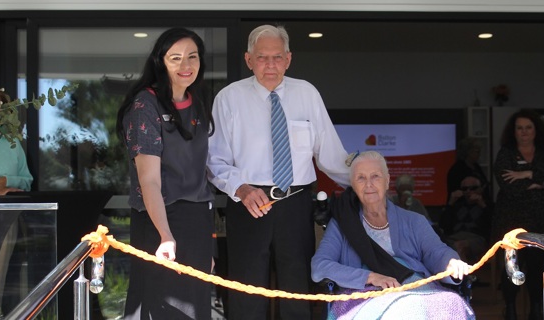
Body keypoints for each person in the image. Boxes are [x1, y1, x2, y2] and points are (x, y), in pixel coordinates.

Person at [206, 24, 350, 319]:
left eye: (277, 57)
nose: (270, 65)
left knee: (297, 289)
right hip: (247, 204)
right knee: (246, 291)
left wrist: (364, 182)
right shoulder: (229, 98)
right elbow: (214, 160)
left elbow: (331, 154)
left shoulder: (306, 93)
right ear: (248, 60)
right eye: (262, 57)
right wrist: (242, 189)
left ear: (288, 58)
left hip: (295, 205)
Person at [116, 27, 216, 319]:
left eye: (192, 57)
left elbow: (201, 174)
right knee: (161, 305)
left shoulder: (198, 102)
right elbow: (149, 180)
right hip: (159, 219)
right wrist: (166, 236)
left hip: (196, 221)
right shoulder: (145, 105)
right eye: (176, 58)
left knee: (195, 308)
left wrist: (205, 247)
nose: (186, 66)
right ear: (160, 62)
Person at [311, 151, 475, 320]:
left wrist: (451, 263)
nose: (369, 184)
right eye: (361, 178)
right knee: (404, 310)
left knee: (450, 304)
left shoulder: (414, 221)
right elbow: (320, 265)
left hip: (414, 285)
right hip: (362, 292)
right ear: (353, 184)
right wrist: (370, 277)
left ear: (387, 181)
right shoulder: (341, 224)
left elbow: (437, 252)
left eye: (375, 176)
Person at [492, 109, 544, 320]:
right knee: (511, 266)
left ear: (536, 130)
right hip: (510, 220)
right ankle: (510, 309)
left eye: (528, 127)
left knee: (536, 266)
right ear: (513, 132)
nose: (524, 132)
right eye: (519, 128)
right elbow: (507, 185)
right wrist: (537, 184)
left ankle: (536, 310)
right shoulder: (506, 153)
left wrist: (527, 174)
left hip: (541, 221)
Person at [441, 175, 492, 264]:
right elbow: (443, 224)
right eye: (465, 189)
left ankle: (465, 276)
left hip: (477, 238)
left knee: (459, 246)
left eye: (473, 188)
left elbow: (493, 223)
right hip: (455, 237)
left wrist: (483, 205)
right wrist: (450, 203)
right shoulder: (457, 205)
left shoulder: (488, 205)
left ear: (480, 189)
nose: (469, 191)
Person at [446, 137, 491, 205]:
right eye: (477, 152)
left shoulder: (476, 166)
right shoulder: (457, 169)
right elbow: (457, 190)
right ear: (468, 152)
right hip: (462, 206)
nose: (479, 155)